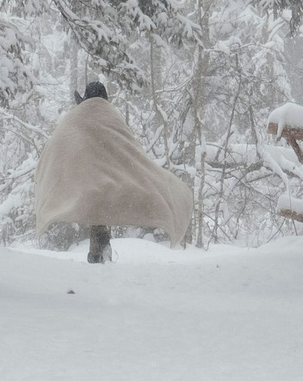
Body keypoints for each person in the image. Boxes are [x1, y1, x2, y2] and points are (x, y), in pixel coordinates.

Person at [32, 82, 193, 262]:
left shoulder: (78, 117)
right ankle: (100, 249)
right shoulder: (110, 116)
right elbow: (129, 149)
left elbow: (61, 144)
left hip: (89, 185)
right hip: (107, 184)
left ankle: (98, 252)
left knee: (97, 214)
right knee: (100, 215)